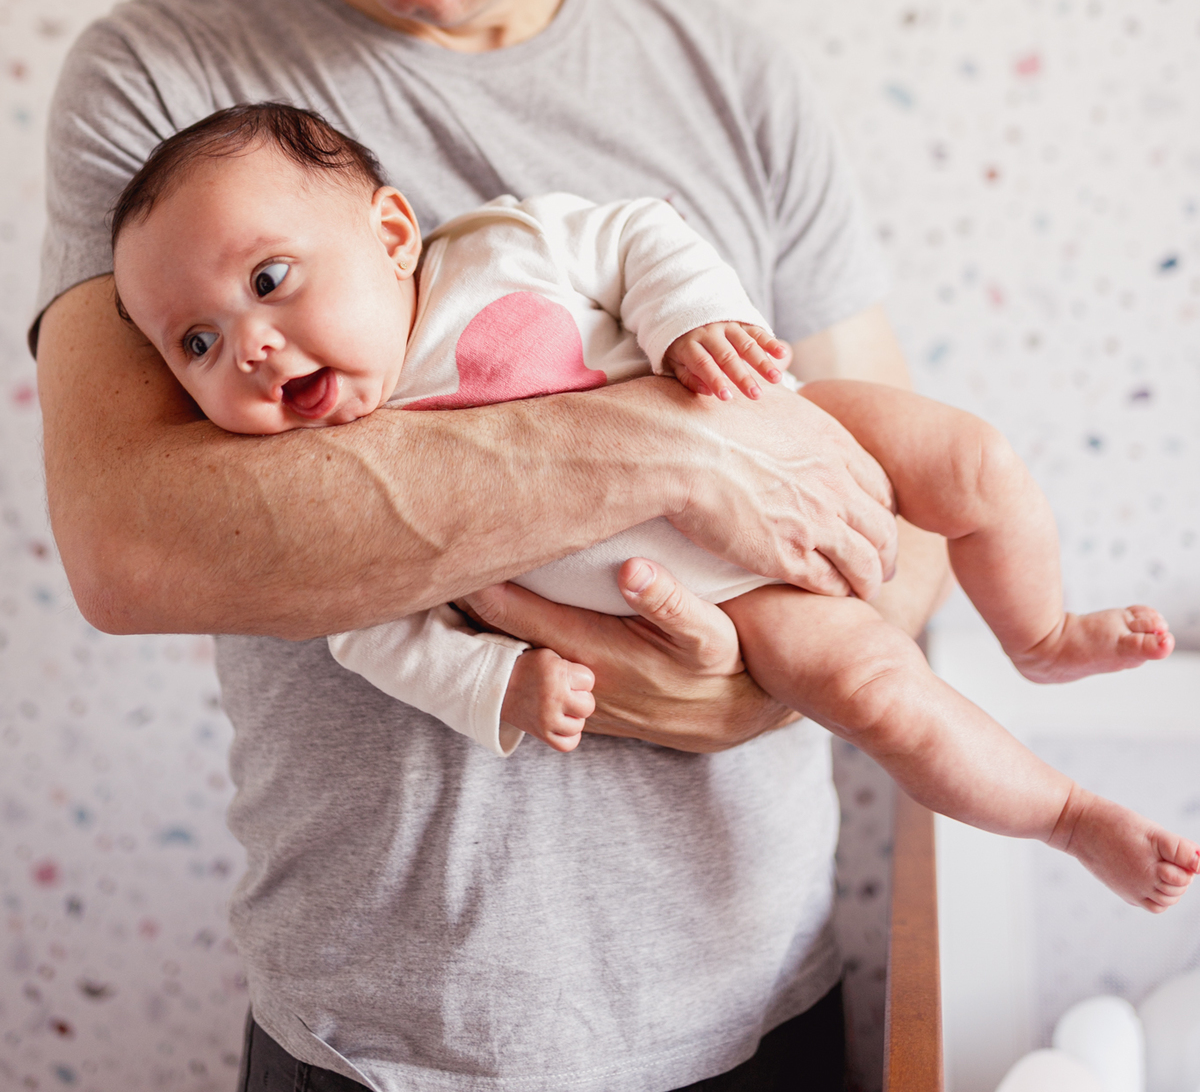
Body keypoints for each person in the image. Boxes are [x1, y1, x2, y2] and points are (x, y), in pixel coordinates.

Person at [34, 0, 954, 1092]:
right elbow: (137, 539)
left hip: (758, 1018)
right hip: (375, 1050)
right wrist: (662, 450)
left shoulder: (734, 78)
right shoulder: (163, 87)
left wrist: (767, 683)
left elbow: (907, 528)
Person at [107, 100, 1197, 916]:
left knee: (972, 461)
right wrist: (502, 681)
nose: (245, 342)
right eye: (193, 343)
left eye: (270, 279)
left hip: (784, 422)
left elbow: (635, 237)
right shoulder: (335, 484)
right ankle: (1065, 813)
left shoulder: (497, 247)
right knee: (881, 695)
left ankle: (1042, 635)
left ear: (393, 235)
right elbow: (368, 636)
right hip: (731, 608)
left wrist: (690, 324)